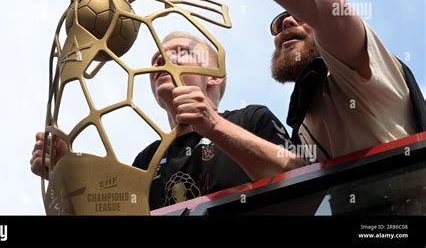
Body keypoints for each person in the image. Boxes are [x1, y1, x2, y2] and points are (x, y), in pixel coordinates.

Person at [124, 0, 426, 163]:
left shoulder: (364, 74)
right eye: (277, 24)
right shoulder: (305, 119)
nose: (286, 24)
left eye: (298, 15)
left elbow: (329, 9)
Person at [31, 32, 303, 210]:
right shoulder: (146, 159)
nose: (161, 59)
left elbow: (301, 176)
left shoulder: (251, 118)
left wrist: (213, 126)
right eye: (156, 57)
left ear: (214, 76)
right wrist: (64, 173)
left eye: (181, 51)